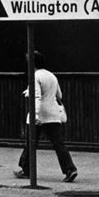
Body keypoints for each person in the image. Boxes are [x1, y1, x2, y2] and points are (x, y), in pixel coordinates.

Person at [15, 52, 77, 182]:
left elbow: (36, 97)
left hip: (39, 114)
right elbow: (59, 95)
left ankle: (26, 170)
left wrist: (35, 115)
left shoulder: (35, 76)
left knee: (30, 142)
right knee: (58, 143)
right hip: (53, 113)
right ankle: (70, 169)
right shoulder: (51, 75)